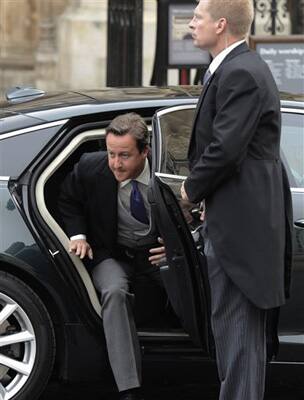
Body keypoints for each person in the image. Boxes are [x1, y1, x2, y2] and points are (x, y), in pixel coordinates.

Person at [181, 1, 293, 399]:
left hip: (241, 232)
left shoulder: (242, 71)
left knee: (240, 339)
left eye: (198, 17)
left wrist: (190, 189)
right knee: (235, 339)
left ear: (222, 24)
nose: (190, 23)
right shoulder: (232, 69)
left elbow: (226, 148)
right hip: (234, 221)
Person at [58, 112, 165, 400]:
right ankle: (128, 387)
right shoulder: (90, 167)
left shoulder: (165, 170)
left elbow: (194, 212)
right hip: (111, 254)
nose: (116, 163)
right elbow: (67, 199)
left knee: (192, 286)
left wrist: (177, 246)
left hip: (158, 256)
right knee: (114, 292)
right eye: (111, 154)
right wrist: (78, 235)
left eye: (125, 155)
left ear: (145, 151)